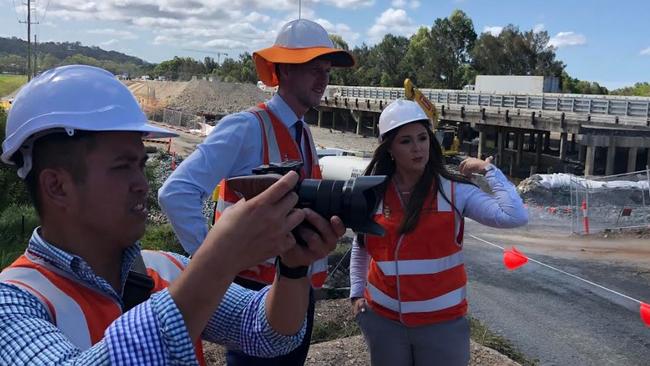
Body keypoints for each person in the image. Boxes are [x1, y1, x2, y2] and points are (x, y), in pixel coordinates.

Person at [0, 64, 344, 365]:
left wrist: (293, 268)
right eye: (122, 167)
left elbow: (268, 334)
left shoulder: (166, 269)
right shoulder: (13, 301)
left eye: (141, 163)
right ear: (57, 186)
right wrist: (219, 258)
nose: (141, 183)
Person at [158, 18, 354, 365]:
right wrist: (214, 264)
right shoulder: (246, 127)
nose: (323, 78)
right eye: (313, 68)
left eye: (326, 70)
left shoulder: (303, 134)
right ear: (284, 71)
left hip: (295, 289)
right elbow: (177, 193)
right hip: (253, 299)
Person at [349, 99, 528, 366]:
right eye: (406, 141)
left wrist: (487, 169)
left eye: (422, 138)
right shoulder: (374, 193)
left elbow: (514, 216)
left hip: (442, 325)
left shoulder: (454, 191)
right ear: (389, 149)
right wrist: (356, 293)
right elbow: (361, 245)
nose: (417, 147)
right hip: (384, 322)